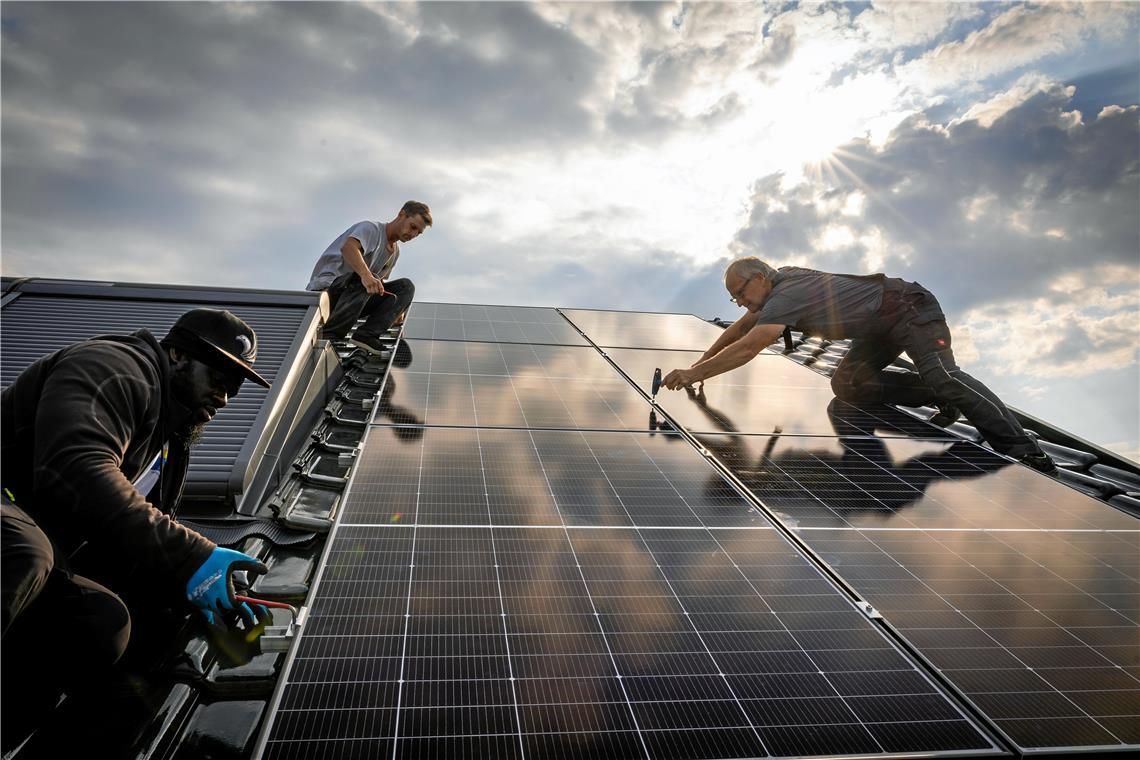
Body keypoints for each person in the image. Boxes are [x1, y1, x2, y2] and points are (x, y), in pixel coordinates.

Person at [1, 308, 273, 748]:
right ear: (178, 355)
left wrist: (190, 593)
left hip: (42, 538)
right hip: (8, 510)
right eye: (221, 377)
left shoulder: (168, 442)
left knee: (101, 621)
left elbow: (126, 545)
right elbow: (73, 468)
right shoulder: (114, 367)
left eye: (238, 386)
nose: (227, 398)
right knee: (24, 553)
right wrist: (194, 555)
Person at [662, 257, 1057, 473]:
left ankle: (1024, 447)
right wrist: (699, 363)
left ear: (760, 278)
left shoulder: (787, 293)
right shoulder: (776, 291)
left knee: (945, 375)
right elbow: (739, 330)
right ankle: (932, 392)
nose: (741, 304)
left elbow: (752, 344)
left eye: (741, 293)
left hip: (909, 310)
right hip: (876, 328)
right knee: (847, 384)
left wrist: (698, 374)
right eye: (734, 299)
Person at [306, 200, 432, 355]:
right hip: (327, 293)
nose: (413, 234)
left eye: (418, 233)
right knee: (367, 277)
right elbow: (348, 248)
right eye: (412, 227)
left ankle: (366, 335)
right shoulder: (371, 229)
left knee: (405, 287)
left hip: (354, 300)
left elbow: (377, 286)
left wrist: (395, 307)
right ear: (401, 215)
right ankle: (330, 335)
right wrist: (366, 275)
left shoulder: (394, 253)